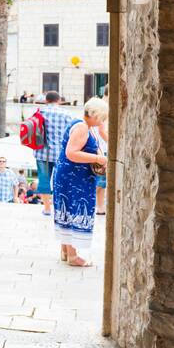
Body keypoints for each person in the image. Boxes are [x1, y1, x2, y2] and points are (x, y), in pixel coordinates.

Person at [52, 97, 109, 266]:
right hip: (74, 177)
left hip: (68, 175)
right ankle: (72, 256)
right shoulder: (82, 128)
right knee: (74, 209)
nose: (103, 120)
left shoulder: (80, 124)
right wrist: (100, 158)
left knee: (67, 209)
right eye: (103, 117)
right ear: (95, 114)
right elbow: (72, 153)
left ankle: (65, 251)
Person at [35, 90, 75, 218]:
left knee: (44, 180)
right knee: (61, 181)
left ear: (46, 100)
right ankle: (60, 209)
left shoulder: (39, 113)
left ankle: (47, 209)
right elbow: (72, 133)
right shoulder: (67, 114)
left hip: (42, 152)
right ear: (59, 100)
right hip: (61, 154)